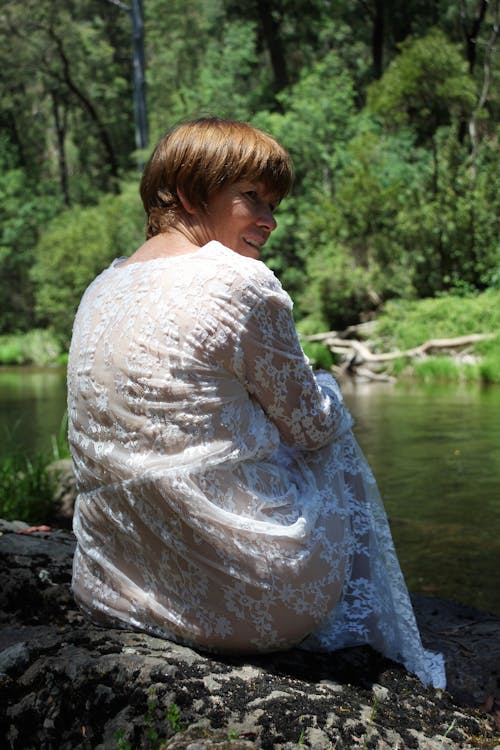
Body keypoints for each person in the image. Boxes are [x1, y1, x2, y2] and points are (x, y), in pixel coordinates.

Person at [67, 117, 445, 688]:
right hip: (253, 602)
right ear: (193, 191)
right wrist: (325, 388)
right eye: (252, 198)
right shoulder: (240, 280)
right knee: (330, 412)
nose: (269, 221)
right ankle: (369, 631)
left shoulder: (103, 284)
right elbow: (311, 429)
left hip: (114, 586)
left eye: (274, 204)